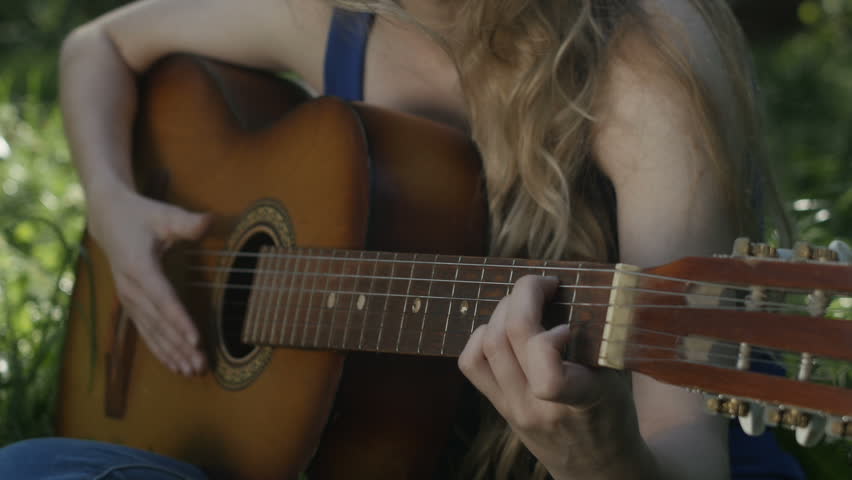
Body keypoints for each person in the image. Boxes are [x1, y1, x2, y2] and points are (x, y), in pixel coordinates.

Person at [0, 0, 806, 479]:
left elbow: (690, 455)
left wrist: (597, 458)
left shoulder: (643, 57)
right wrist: (112, 203)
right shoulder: (340, 14)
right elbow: (96, 45)